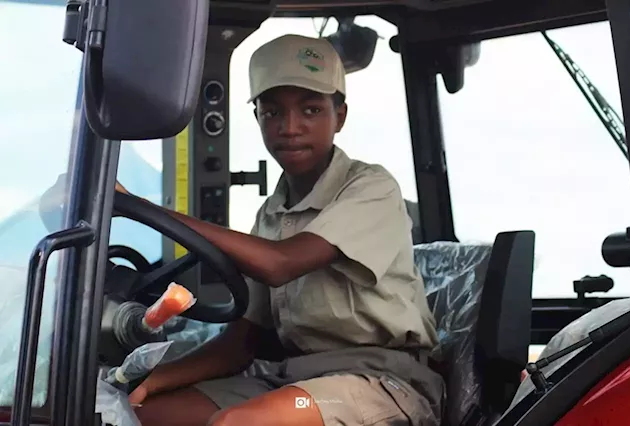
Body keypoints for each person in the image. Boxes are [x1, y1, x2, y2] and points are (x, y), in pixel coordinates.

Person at [115, 33, 445, 426]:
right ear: (257, 118)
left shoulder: (371, 188)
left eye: (310, 110)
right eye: (272, 112)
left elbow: (281, 264)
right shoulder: (271, 215)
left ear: (339, 116)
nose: (290, 127)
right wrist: (151, 380)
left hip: (382, 382)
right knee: (134, 415)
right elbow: (239, 346)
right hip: (293, 378)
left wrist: (139, 207)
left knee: (239, 425)